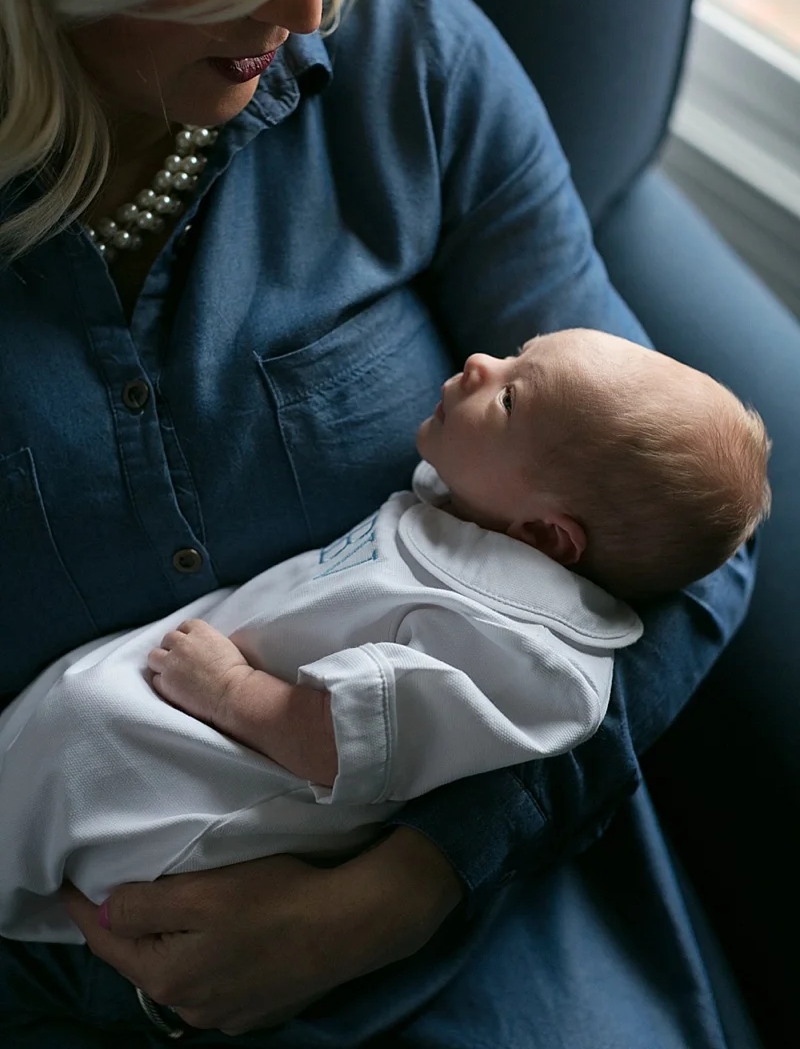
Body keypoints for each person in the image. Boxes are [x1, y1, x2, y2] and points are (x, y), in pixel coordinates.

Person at [0, 0, 768, 1045]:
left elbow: (688, 531)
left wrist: (397, 894)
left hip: (467, 929)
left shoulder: (406, 52)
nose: (309, 6)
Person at [0, 327, 770, 948]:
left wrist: (230, 690)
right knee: (65, 720)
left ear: (545, 535)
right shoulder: (481, 512)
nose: (480, 362)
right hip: (198, 695)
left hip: (231, 782)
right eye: (515, 354)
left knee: (82, 737)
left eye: (510, 397)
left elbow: (342, 742)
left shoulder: (515, 646)